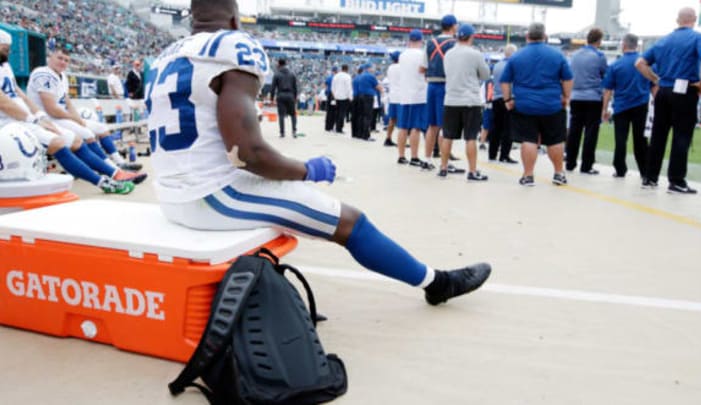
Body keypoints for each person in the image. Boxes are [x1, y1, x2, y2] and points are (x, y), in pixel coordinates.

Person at [146, 0, 492, 306]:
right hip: (209, 196)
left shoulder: (166, 56)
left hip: (173, 192)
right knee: (350, 222)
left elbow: (231, 148)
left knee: (285, 195)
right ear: (235, 20)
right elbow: (246, 151)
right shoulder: (232, 45)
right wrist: (306, 169)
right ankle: (436, 283)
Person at [0, 30, 134, 194]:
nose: (8, 53)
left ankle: (114, 173)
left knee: (76, 140)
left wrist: (39, 117)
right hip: (8, 123)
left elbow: (18, 94)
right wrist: (34, 119)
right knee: (58, 143)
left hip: (24, 118)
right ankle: (102, 182)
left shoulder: (5, 65)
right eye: (5, 49)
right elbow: (4, 103)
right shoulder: (42, 73)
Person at [27, 48, 146, 180]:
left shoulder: (62, 75)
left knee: (101, 128)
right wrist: (74, 119)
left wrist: (78, 119)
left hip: (60, 117)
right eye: (59, 58)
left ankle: (119, 163)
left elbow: (67, 102)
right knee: (87, 134)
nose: (63, 62)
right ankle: (112, 169)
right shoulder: (43, 73)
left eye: (66, 60)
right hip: (47, 119)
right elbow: (51, 109)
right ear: (50, 57)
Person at [635, 7, 701, 194]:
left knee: (658, 136)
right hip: (684, 89)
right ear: (694, 19)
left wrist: (655, 79)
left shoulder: (663, 40)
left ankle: (649, 177)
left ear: (677, 20)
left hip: (663, 90)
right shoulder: (697, 38)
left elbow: (639, 63)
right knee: (681, 136)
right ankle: (676, 180)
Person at [501, 22, 573, 187]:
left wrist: (508, 100)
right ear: (544, 36)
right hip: (552, 104)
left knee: (529, 140)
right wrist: (566, 97)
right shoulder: (558, 55)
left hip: (525, 105)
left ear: (527, 37)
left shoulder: (517, 56)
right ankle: (558, 173)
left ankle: (528, 175)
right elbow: (568, 78)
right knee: (555, 140)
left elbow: (505, 81)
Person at [439, 24, 491, 181]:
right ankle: (472, 171)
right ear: (471, 37)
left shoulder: (448, 54)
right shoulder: (475, 54)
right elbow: (485, 74)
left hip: (451, 100)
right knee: (470, 137)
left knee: (447, 136)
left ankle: (443, 168)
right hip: (470, 101)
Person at [601, 33, 652, 179]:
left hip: (621, 106)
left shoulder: (616, 65)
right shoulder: (645, 64)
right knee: (641, 140)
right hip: (641, 105)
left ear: (623, 45)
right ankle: (645, 171)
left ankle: (620, 169)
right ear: (637, 45)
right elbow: (654, 85)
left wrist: (604, 109)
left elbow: (608, 90)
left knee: (620, 139)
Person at [566, 28, 607, 175]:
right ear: (599, 41)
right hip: (593, 98)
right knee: (591, 132)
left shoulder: (575, 55)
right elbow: (605, 75)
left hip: (576, 97)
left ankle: (570, 162)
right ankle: (586, 165)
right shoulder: (599, 56)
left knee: (574, 131)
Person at [421, 14, 457, 164]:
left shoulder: (430, 42)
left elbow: (423, 68)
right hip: (446, 86)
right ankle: (444, 163)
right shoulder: (454, 43)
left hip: (431, 86)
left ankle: (427, 159)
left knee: (432, 126)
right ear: (453, 26)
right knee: (445, 126)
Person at [396, 30, 429, 168]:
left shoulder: (402, 55)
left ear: (409, 40)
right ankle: (414, 157)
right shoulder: (423, 55)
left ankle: (401, 155)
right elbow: (425, 71)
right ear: (421, 40)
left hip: (404, 95)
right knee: (416, 127)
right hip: (419, 94)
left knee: (403, 127)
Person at [488, 44, 518, 163]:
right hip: (508, 98)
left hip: (496, 98)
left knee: (496, 127)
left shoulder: (497, 66)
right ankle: (504, 155)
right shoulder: (514, 66)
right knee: (508, 128)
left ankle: (492, 153)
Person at [270, 59, 298, 139]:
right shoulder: (292, 74)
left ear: (279, 64)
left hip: (281, 95)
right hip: (290, 95)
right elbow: (295, 87)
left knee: (281, 115)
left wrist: (272, 98)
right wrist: (295, 98)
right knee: (293, 114)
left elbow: (273, 88)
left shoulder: (276, 74)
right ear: (285, 64)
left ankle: (282, 133)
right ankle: (294, 131)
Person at [354, 64, 383, 141]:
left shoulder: (361, 76)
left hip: (360, 96)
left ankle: (360, 133)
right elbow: (378, 86)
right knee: (368, 116)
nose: (373, 69)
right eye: (372, 68)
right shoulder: (370, 76)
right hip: (368, 96)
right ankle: (366, 135)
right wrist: (383, 92)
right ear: (369, 68)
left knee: (361, 116)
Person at [384, 51, 401, 147]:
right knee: (402, 121)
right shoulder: (402, 68)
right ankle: (401, 141)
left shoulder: (390, 68)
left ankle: (388, 138)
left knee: (392, 119)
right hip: (401, 96)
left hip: (392, 96)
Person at [331, 64, 352, 134]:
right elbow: (349, 88)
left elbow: (332, 88)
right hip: (344, 97)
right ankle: (339, 128)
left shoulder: (336, 76)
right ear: (347, 69)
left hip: (336, 97)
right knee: (342, 114)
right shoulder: (347, 76)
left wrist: (334, 96)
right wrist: (350, 97)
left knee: (337, 113)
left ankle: (336, 127)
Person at [324, 66, 338, 132]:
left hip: (329, 95)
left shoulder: (329, 77)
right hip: (334, 95)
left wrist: (326, 91)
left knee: (329, 111)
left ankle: (327, 127)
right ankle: (331, 127)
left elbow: (325, 85)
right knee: (334, 112)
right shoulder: (336, 78)